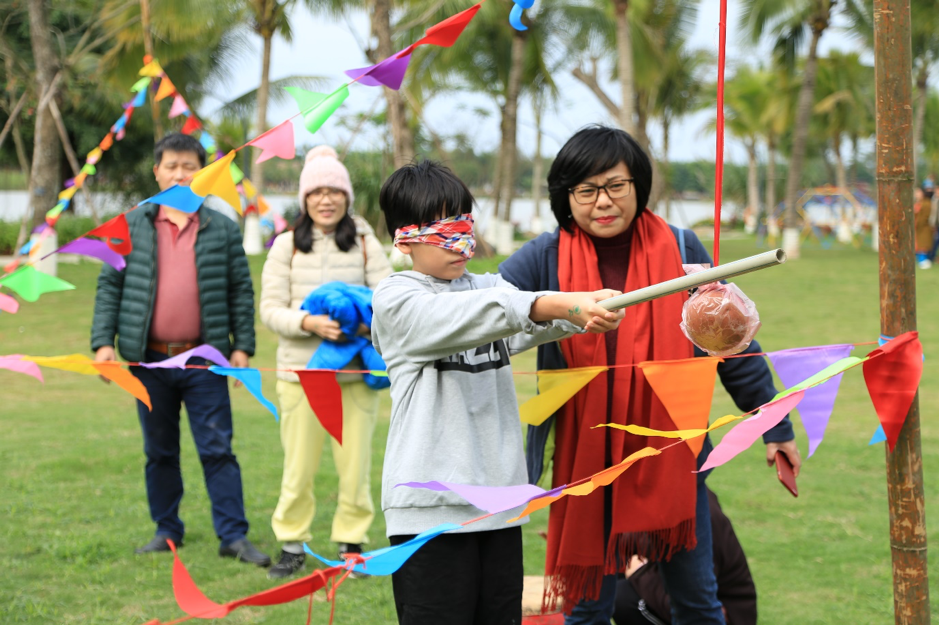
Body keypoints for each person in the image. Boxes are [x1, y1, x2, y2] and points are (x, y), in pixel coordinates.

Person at [498, 125, 800, 624]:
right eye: (587, 190)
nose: (603, 202)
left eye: (616, 185)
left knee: (698, 604)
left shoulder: (681, 250)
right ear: (565, 196)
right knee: (587, 610)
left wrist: (776, 428)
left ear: (638, 185)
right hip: (585, 463)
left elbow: (734, 343)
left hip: (672, 460)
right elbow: (487, 309)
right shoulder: (545, 257)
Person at [371, 160, 626, 625]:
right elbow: (491, 313)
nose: (462, 240)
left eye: (466, 223)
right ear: (404, 237)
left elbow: (523, 321)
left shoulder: (489, 288)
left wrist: (580, 311)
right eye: (445, 228)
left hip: (500, 505)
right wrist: (554, 304)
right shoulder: (396, 299)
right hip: (429, 515)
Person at [90, 133, 270, 566]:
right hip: (146, 361)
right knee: (159, 452)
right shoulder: (130, 226)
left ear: (203, 174)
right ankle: (167, 530)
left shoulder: (222, 228)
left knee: (218, 449)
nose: (180, 174)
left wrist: (243, 347)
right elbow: (109, 286)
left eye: (190, 166)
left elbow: (240, 291)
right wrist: (101, 345)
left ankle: (233, 535)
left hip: (205, 362)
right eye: (171, 165)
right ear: (157, 171)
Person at [260, 145, 393, 579]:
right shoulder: (284, 246)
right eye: (316, 191)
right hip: (302, 378)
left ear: (346, 196)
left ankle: (352, 544)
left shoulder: (367, 242)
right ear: (304, 199)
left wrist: (361, 324)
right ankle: (292, 544)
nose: (325, 199)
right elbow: (270, 309)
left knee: (355, 467)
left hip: (356, 375)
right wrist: (308, 322)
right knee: (297, 468)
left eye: (333, 190)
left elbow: (390, 302)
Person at [613, 488, 756, 625]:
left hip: (725, 615)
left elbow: (696, 601)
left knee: (623, 599)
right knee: (613, 570)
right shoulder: (653, 498)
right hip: (672, 585)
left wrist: (639, 574)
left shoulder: (695, 515)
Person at [914, 186, 933, 269]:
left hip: (923, 228)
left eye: (918, 192)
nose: (916, 194)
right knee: (917, 245)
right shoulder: (917, 203)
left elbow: (925, 217)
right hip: (916, 228)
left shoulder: (926, 203)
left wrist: (917, 224)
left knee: (923, 245)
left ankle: (924, 261)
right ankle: (921, 261)